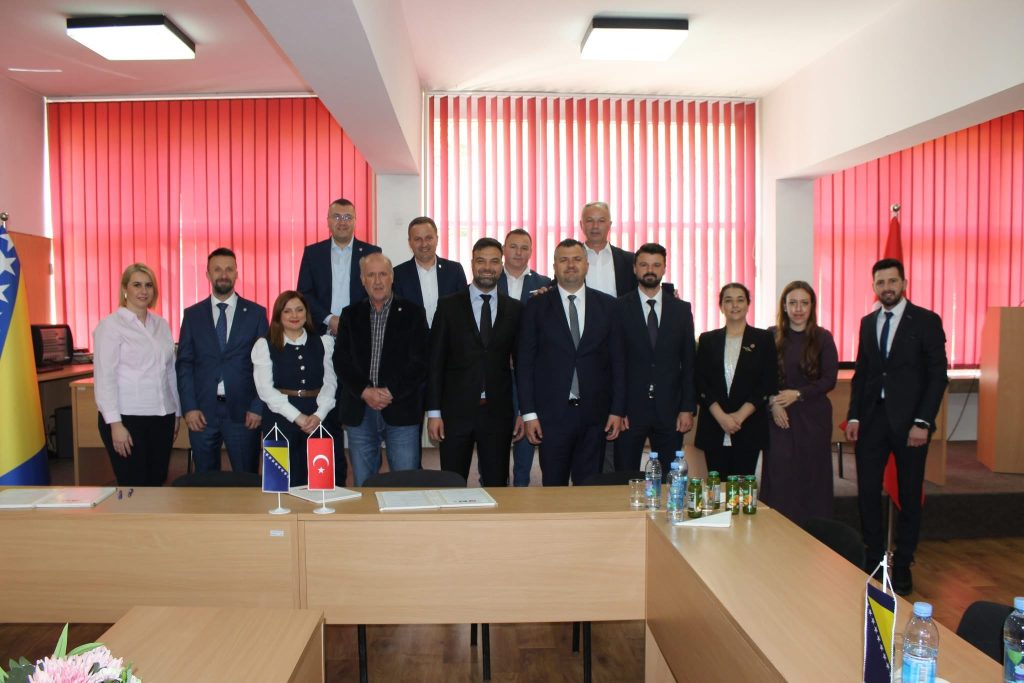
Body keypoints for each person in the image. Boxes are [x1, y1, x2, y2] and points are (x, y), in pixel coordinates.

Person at [844, 258, 948, 596]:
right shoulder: (868, 322)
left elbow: (937, 376)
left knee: (909, 495)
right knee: (867, 493)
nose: (886, 287)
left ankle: (903, 562)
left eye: (892, 281)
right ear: (873, 286)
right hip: (872, 422)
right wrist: (855, 416)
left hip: (911, 426)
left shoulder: (927, 321)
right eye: (880, 282)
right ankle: (874, 557)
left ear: (904, 283)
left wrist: (923, 422)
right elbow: (862, 374)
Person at [517, 238, 625, 485]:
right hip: (551, 415)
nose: (571, 265)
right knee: (553, 487)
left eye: (576, 259)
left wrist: (617, 410)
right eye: (563, 260)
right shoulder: (536, 306)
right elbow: (525, 364)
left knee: (589, 488)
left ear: (586, 264)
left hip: (595, 415)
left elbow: (618, 362)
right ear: (554, 266)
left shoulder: (608, 306)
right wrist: (529, 414)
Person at [427, 238, 523, 486]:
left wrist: (522, 411)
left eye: (494, 261)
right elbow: (435, 362)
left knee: (496, 484)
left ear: (501, 265)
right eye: (481, 261)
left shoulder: (515, 309)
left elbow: (522, 365)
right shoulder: (448, 306)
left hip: (497, 413)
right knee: (452, 482)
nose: (487, 268)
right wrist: (434, 412)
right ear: (472, 263)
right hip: (455, 413)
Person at [334, 253, 429, 486]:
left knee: (405, 484)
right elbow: (341, 360)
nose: (377, 281)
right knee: (364, 483)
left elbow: (420, 361)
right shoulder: (350, 314)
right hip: (360, 410)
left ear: (392, 277)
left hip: (401, 408)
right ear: (362, 279)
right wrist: (365, 391)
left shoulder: (413, 313)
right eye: (371, 275)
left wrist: (390, 391)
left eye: (383, 274)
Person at [176, 248, 269, 473]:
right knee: (205, 480)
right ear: (208, 274)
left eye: (229, 269)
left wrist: (258, 407)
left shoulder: (256, 313)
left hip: (244, 413)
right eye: (217, 269)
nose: (223, 274)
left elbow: (266, 365)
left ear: (237, 273)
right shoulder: (192, 315)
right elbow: (185, 365)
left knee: (245, 479)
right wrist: (189, 408)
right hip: (202, 413)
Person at [93, 263, 180, 486]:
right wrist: (115, 424)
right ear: (125, 289)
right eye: (137, 285)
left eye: (149, 285)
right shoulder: (110, 326)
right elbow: (105, 378)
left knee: (156, 481)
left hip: (162, 416)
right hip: (127, 419)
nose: (143, 291)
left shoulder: (161, 324)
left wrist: (176, 413)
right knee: (134, 484)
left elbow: (170, 371)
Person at [614, 243, 696, 477]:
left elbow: (689, 363)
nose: (650, 270)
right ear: (634, 268)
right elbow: (614, 362)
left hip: (670, 411)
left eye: (656, 265)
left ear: (664, 268)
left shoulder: (681, 310)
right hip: (629, 412)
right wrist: (617, 409)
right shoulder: (618, 307)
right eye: (644, 265)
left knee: (670, 478)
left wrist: (687, 408)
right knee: (625, 477)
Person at [761, 281, 839, 525]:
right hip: (779, 415)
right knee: (780, 472)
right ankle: (778, 530)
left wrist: (797, 394)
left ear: (812, 306)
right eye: (792, 303)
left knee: (812, 474)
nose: (798, 309)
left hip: (813, 416)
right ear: (784, 306)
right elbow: (761, 377)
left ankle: (814, 531)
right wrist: (773, 403)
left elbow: (829, 379)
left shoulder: (823, 337)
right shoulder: (770, 335)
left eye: (804, 303)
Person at [251, 291, 338, 487]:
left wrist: (319, 414)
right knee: (280, 483)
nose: (294, 315)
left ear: (306, 313)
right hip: (279, 420)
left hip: (318, 419)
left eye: (299, 310)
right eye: (287, 311)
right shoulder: (264, 345)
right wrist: (298, 417)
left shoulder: (323, 342)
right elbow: (265, 390)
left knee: (319, 482)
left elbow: (330, 382)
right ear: (278, 315)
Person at [694, 283, 777, 478]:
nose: (735, 305)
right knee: (717, 485)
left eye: (740, 300)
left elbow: (768, 381)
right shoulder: (707, 340)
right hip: (714, 424)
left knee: (742, 485)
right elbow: (700, 381)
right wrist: (721, 417)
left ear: (748, 304)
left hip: (749, 424)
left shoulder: (763, 339)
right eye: (728, 300)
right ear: (721, 306)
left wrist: (739, 416)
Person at [497, 228, 552, 486]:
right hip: (497, 370)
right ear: (504, 250)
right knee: (495, 433)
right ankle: (493, 482)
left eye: (524, 247)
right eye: (513, 246)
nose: (518, 252)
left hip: (531, 370)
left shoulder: (545, 284)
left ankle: (521, 484)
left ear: (531, 251)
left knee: (527, 423)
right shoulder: (490, 279)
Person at [296, 198, 382, 335]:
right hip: (320, 331)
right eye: (337, 217)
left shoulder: (371, 253)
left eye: (348, 217)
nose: (342, 222)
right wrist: (329, 319)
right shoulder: (313, 253)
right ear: (328, 221)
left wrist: (352, 320)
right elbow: (304, 293)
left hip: (361, 330)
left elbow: (378, 292)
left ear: (355, 221)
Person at [392, 216, 467, 327]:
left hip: (449, 337)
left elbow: (464, 309)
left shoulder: (454, 270)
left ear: (437, 239)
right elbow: (397, 315)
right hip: (413, 337)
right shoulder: (398, 274)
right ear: (410, 242)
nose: (424, 244)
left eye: (429, 238)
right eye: (418, 239)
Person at [578, 201, 637, 296]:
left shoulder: (629, 260)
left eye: (601, 221)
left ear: (609, 224)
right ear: (581, 225)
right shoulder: (569, 260)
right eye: (589, 221)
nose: (595, 226)